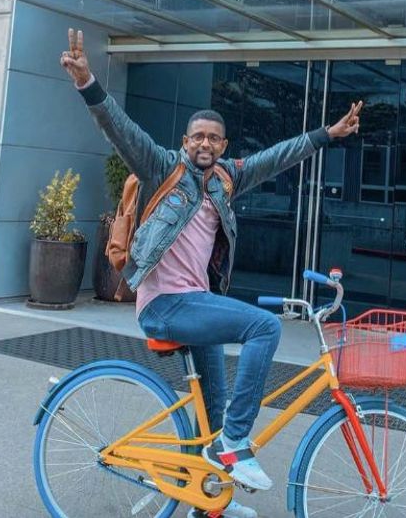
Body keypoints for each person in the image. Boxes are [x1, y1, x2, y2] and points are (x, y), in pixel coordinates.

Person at [60, 28, 361, 517]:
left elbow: (276, 157)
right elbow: (119, 127)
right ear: (185, 141)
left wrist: (327, 134)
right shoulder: (163, 169)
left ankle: (209, 499)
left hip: (195, 307)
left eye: (214, 137)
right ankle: (237, 445)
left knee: (215, 412)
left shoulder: (225, 179)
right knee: (263, 327)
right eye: (197, 136)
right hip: (164, 307)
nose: (205, 143)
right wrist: (88, 81)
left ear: (223, 144)